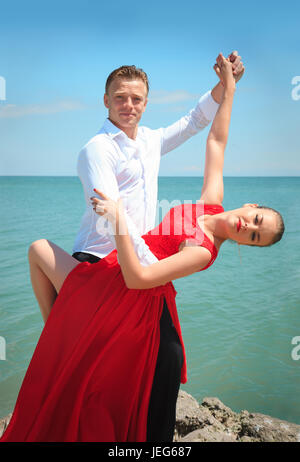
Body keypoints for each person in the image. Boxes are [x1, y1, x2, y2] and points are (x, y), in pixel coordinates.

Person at [0, 54, 284, 443]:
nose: (247, 227)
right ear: (107, 100)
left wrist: (125, 229)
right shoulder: (102, 151)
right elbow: (215, 136)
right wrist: (229, 87)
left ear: (147, 103)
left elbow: (193, 124)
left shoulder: (198, 241)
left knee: (123, 384)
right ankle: (62, 334)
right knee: (40, 256)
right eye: (121, 98)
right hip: (108, 262)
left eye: (254, 236)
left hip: (131, 274)